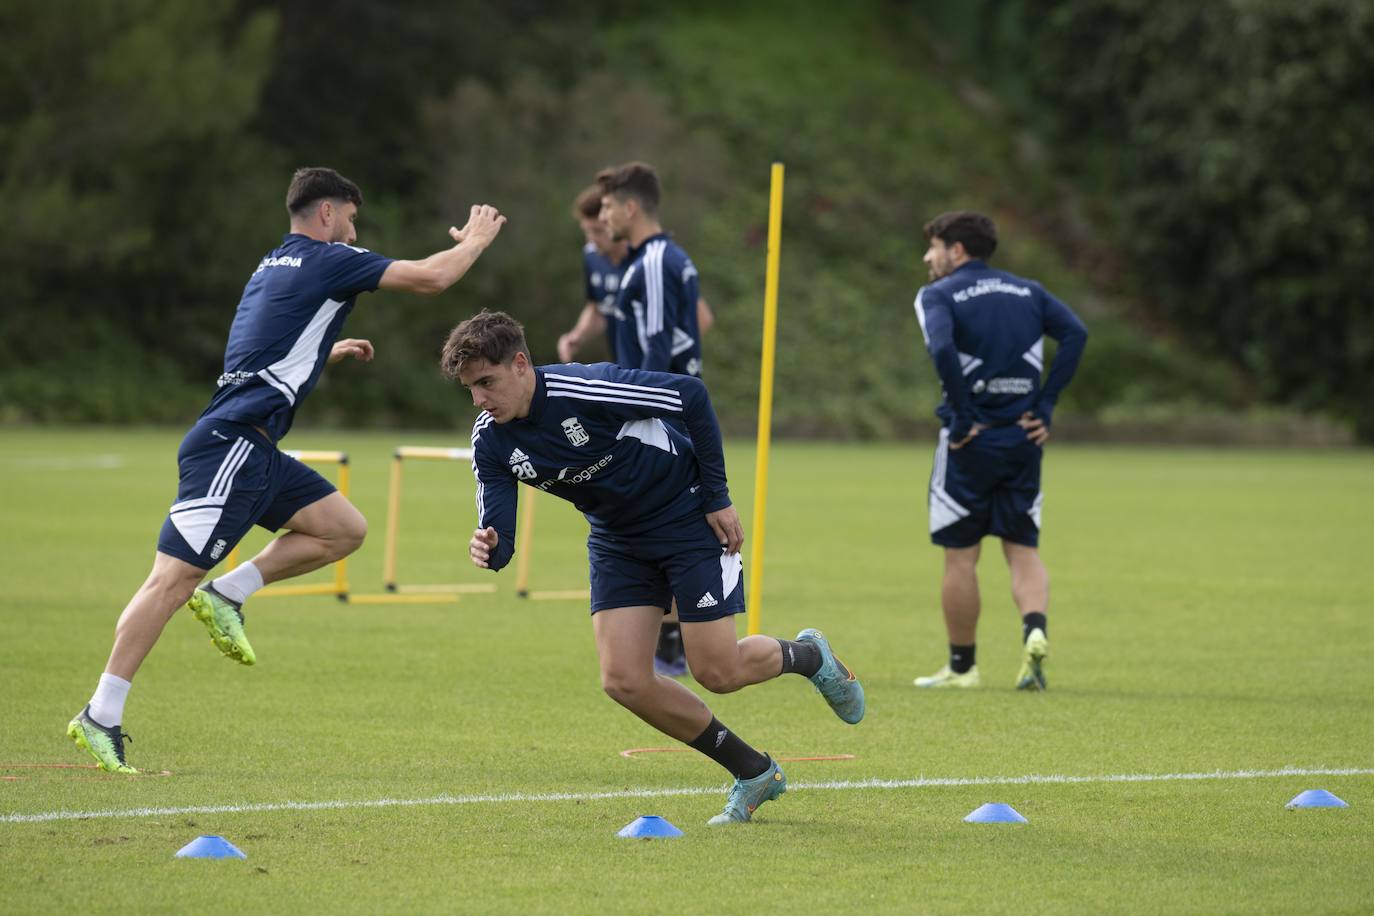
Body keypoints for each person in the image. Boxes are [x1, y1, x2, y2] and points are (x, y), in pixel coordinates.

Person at [67, 167, 506, 773]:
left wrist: (328, 348)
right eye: (351, 219)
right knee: (168, 584)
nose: (354, 232)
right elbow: (432, 277)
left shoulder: (273, 263)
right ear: (327, 213)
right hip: (230, 448)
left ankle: (230, 591)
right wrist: (477, 238)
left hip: (255, 449)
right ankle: (101, 713)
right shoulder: (329, 260)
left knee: (342, 527)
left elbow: (265, 345)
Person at [446, 310, 864, 825]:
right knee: (623, 680)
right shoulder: (490, 438)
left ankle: (809, 655)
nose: (480, 399)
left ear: (521, 364)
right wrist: (491, 546)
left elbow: (691, 394)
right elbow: (500, 530)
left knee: (718, 671)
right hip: (617, 541)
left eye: (487, 382)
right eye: (470, 389)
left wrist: (718, 497)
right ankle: (753, 771)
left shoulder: (589, 388)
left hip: (687, 518)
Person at [910, 211, 1088, 691]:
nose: (929, 257)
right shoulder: (1028, 291)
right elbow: (1076, 333)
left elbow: (943, 349)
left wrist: (964, 415)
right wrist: (1045, 405)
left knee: (960, 558)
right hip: (1023, 439)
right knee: (1023, 550)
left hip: (970, 442)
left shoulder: (937, 294)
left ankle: (962, 668)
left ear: (958, 251)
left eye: (934, 247)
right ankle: (1034, 632)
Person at [576, 168, 717, 677]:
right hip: (666, 418)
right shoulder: (654, 259)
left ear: (630, 208)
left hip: (665, 422)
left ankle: (679, 642)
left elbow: (656, 350)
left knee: (671, 530)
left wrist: (638, 414)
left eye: (609, 206)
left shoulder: (655, 261)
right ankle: (670, 642)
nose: (604, 214)